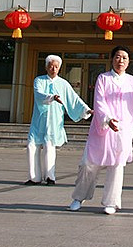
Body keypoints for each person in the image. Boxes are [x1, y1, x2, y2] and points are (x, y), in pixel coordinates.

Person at [68, 45, 133, 214]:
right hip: (102, 128)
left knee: (117, 166)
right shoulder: (103, 79)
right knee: (88, 163)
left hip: (122, 130)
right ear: (112, 59)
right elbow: (99, 101)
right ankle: (79, 197)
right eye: (118, 57)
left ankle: (111, 202)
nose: (121, 61)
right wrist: (107, 119)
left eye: (124, 58)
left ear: (129, 62)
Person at [26, 54, 91, 185]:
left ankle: (50, 177)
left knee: (49, 146)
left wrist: (86, 109)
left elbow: (74, 98)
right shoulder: (39, 80)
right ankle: (34, 177)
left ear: (59, 68)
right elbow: (39, 95)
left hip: (54, 120)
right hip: (39, 119)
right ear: (46, 67)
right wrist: (52, 97)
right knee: (32, 145)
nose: (53, 69)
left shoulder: (63, 84)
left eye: (56, 67)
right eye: (51, 66)